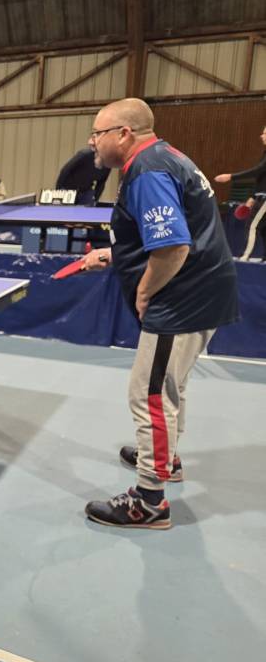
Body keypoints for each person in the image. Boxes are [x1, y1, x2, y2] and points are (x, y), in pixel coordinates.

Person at [78, 98, 239, 529]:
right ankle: (167, 460)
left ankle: (149, 501)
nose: (92, 142)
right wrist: (114, 255)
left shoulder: (147, 171)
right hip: (203, 291)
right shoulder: (165, 157)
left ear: (123, 134)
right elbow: (165, 232)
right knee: (170, 385)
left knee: (149, 394)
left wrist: (146, 290)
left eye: (97, 133)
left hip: (182, 298)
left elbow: (171, 247)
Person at [213, 124, 266, 260]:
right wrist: (252, 196)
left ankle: (245, 257)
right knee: (263, 228)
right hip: (261, 196)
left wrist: (230, 176)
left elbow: (257, 170)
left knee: (252, 226)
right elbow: (261, 177)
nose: (261, 136)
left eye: (265, 133)